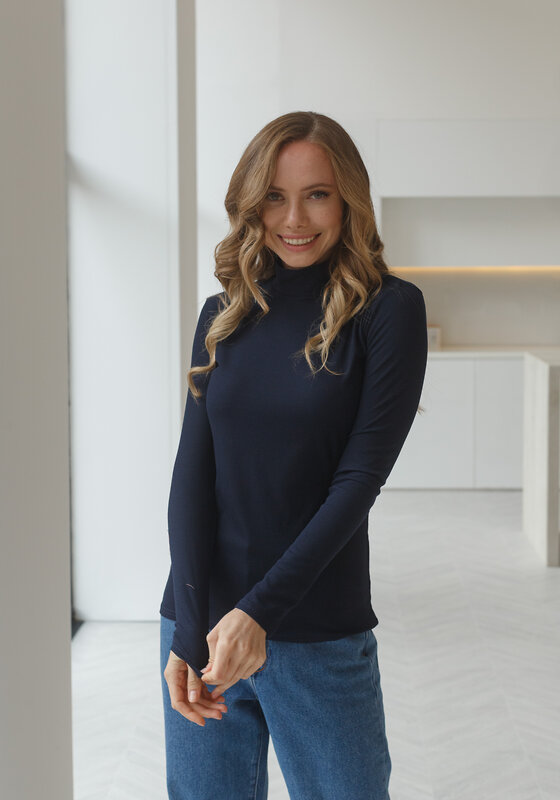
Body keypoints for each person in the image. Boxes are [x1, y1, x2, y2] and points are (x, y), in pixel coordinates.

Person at [159, 110, 428, 800]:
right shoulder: (223, 312)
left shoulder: (388, 312)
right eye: (275, 196)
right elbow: (192, 474)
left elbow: (358, 481)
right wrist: (187, 627)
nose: (294, 218)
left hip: (315, 630)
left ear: (349, 201)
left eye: (317, 195)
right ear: (252, 203)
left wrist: (259, 613)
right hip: (203, 627)